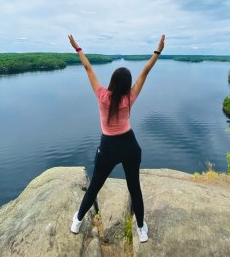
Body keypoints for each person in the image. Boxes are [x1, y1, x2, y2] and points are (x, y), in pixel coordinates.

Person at [68, 34, 165, 243]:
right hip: (129, 145)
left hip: (108, 147)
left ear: (112, 81)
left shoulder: (102, 95)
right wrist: (157, 51)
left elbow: (88, 68)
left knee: (95, 185)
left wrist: (77, 48)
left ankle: (77, 221)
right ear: (126, 85)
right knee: (134, 187)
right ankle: (141, 229)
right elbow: (145, 72)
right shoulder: (129, 98)